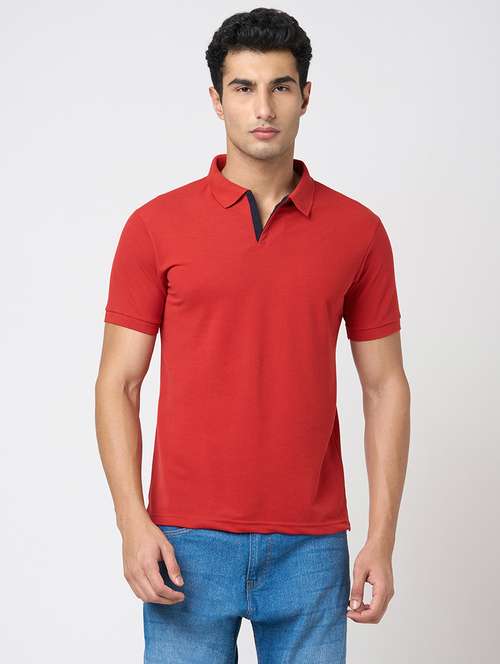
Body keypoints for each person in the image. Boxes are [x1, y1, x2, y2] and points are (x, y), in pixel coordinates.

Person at [95, 7, 411, 663]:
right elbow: (118, 383)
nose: (263, 108)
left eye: (280, 87)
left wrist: (381, 538)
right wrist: (132, 522)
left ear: (305, 96)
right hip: (184, 541)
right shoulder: (155, 227)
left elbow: (384, 386)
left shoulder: (358, 232)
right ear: (217, 99)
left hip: (310, 544)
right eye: (243, 87)